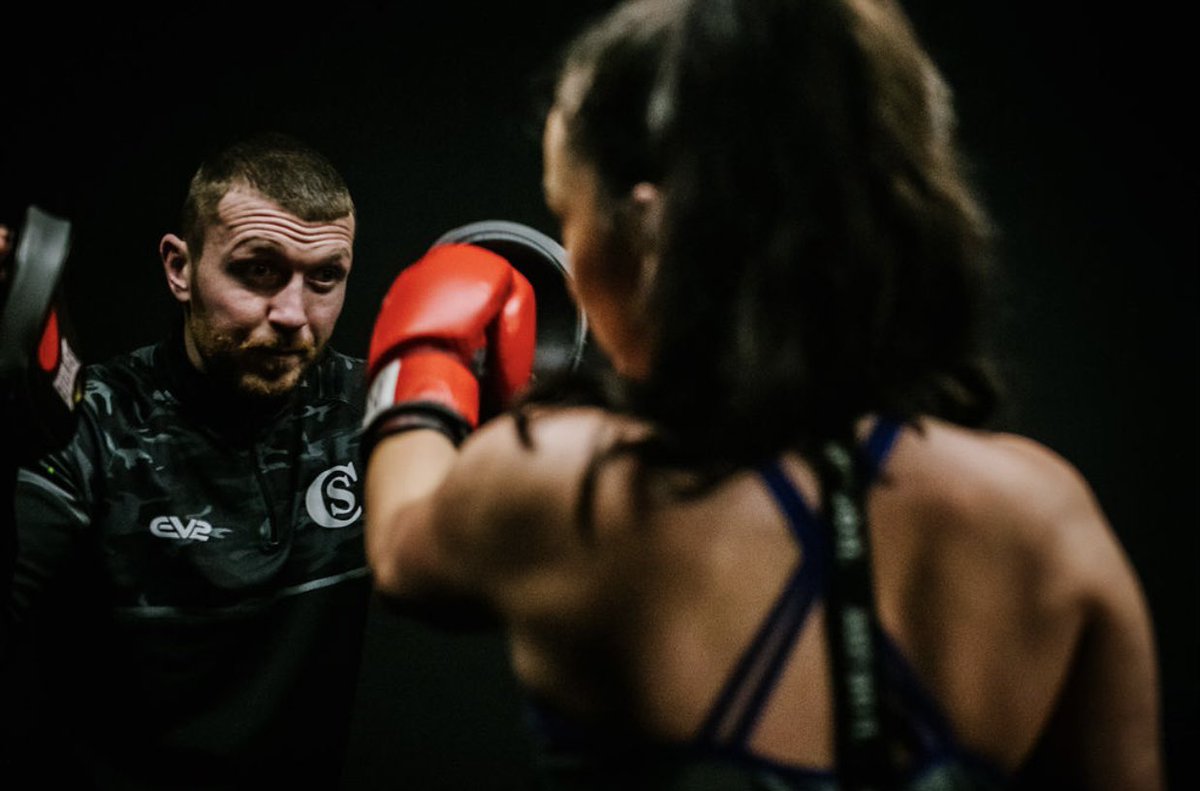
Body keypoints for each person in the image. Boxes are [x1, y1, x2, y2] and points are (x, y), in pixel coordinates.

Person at [357, 0, 1164, 789]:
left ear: (645, 227)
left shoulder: (576, 486)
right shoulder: (1048, 518)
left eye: (570, 215)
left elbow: (401, 551)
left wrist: (424, 358)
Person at [3, 132, 370, 788]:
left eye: (324, 278)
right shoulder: (96, 419)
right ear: (180, 268)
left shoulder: (370, 411)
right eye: (258, 269)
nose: (292, 313)